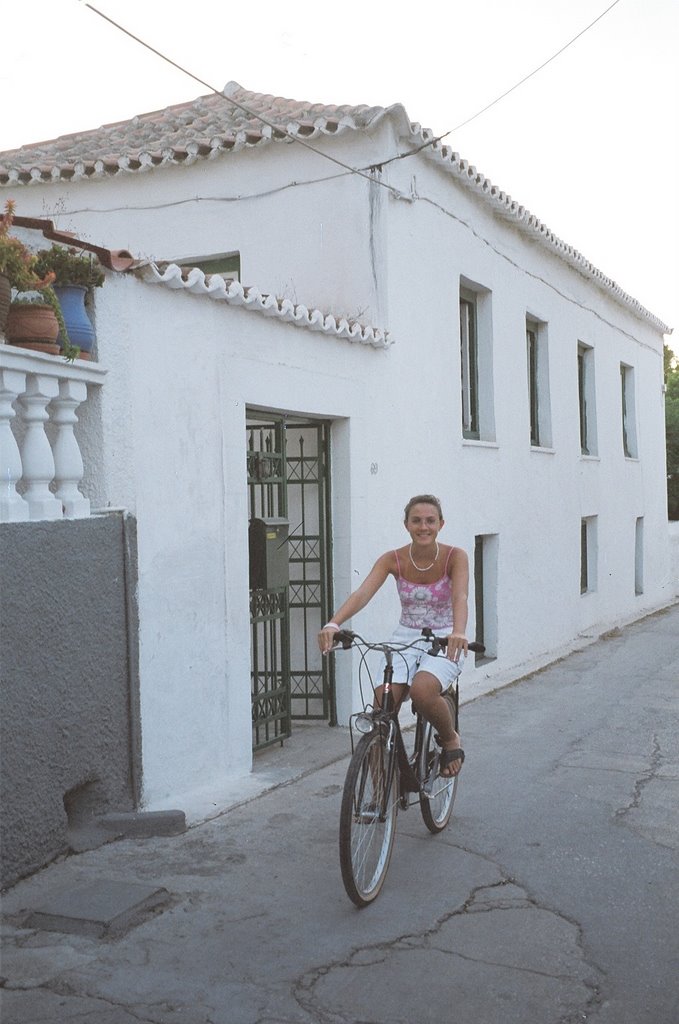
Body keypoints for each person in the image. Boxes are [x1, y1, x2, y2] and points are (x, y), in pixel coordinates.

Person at [318, 494, 469, 777]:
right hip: (404, 637)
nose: (423, 527)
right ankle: (378, 798)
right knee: (381, 713)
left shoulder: (455, 556)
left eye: (430, 521)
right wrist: (333, 624)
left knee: (424, 692)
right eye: (416, 521)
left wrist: (459, 631)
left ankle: (449, 738)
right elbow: (362, 593)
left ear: (441, 524)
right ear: (406, 525)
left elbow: (460, 596)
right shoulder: (393, 559)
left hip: (445, 637)